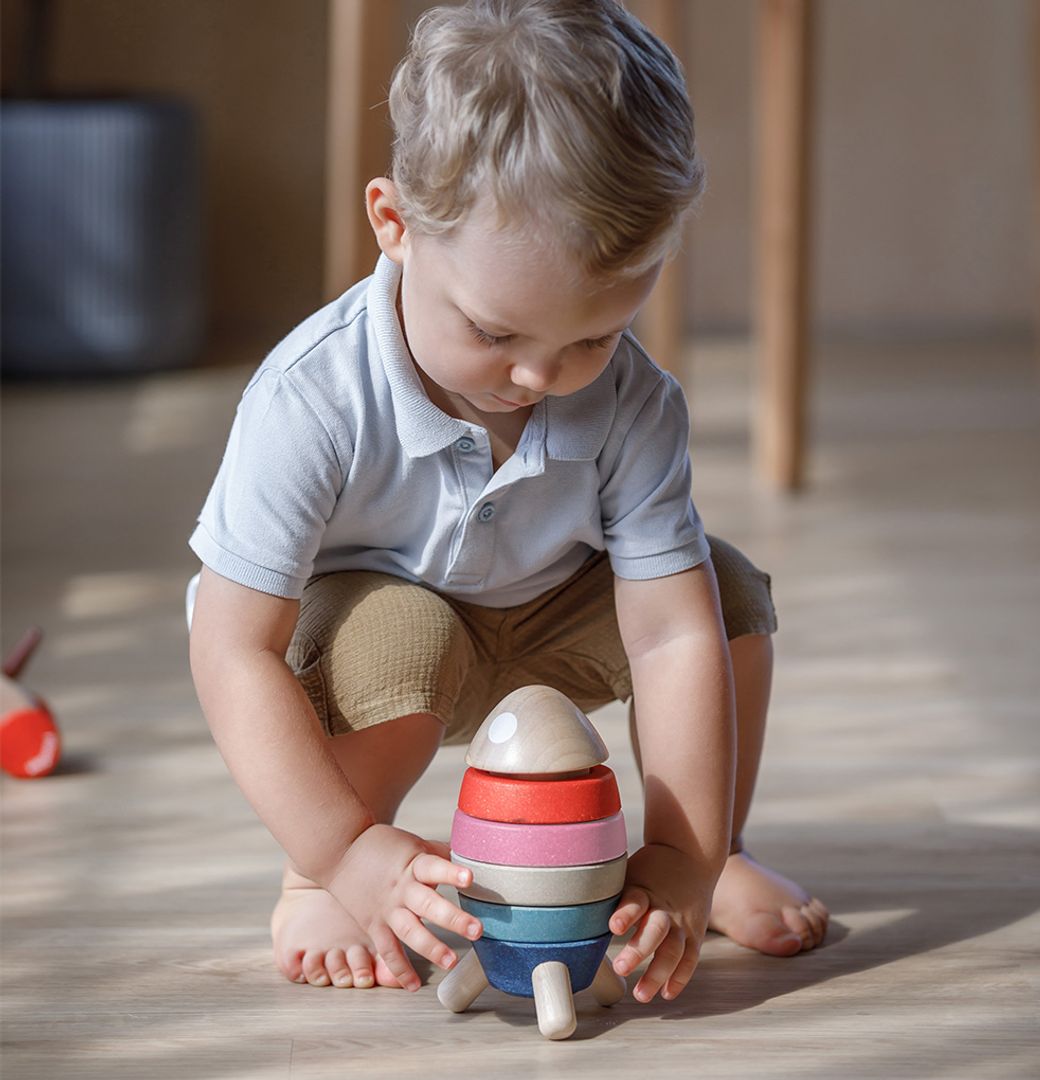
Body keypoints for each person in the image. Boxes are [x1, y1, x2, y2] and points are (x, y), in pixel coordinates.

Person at [188, 0, 827, 1006]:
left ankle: (715, 855)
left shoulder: (635, 404)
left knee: (727, 599)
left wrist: (683, 858)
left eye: (592, 338)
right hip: (378, 640)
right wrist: (344, 851)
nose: (538, 377)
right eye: (494, 333)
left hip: (549, 614)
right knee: (405, 636)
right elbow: (232, 649)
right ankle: (316, 881)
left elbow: (669, 637)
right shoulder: (311, 398)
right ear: (395, 224)